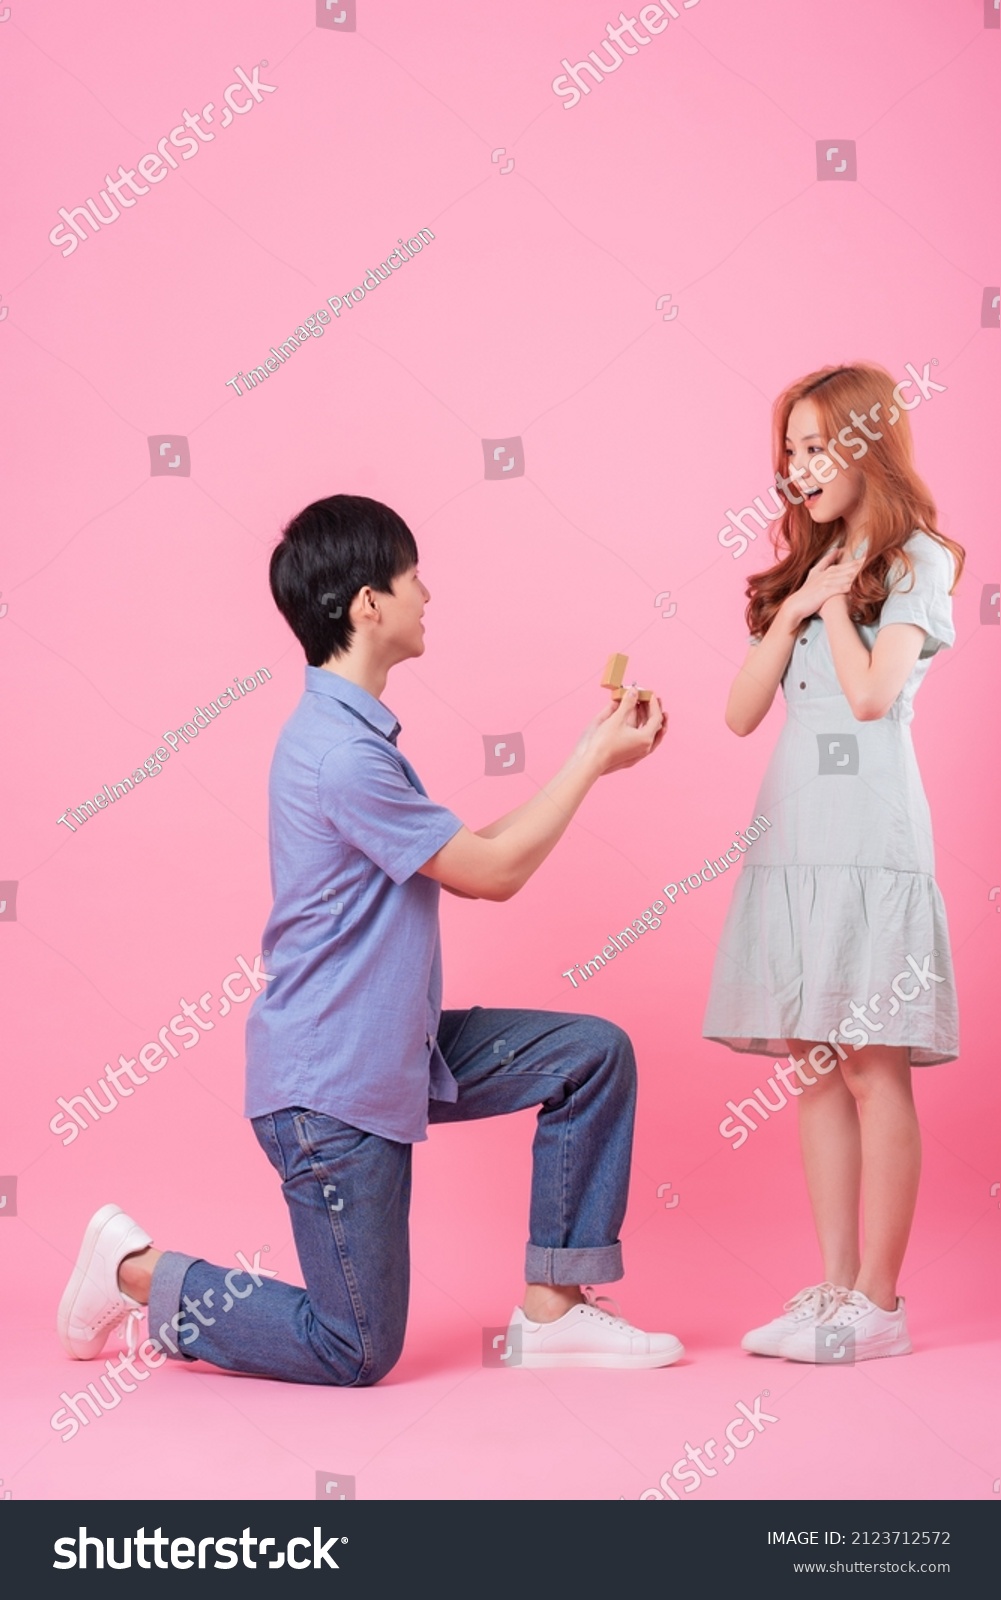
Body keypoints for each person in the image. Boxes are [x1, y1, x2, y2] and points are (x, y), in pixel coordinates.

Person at [58, 494, 684, 1384]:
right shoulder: (343, 756)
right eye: (412, 576)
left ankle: (554, 1310)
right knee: (353, 1347)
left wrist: (586, 750)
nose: (428, 593)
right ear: (368, 604)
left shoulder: (352, 740)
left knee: (588, 1056)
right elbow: (496, 876)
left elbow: (477, 850)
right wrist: (591, 764)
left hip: (398, 1050)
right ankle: (134, 1274)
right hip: (333, 1089)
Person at [703, 363, 964, 1362]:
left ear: (865, 447)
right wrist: (795, 601)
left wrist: (830, 605)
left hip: (869, 835)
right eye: (790, 449)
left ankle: (879, 1301)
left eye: (817, 446)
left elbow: (866, 699)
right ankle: (831, 1289)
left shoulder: (917, 561)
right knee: (812, 1067)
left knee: (869, 1063)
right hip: (793, 830)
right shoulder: (805, 573)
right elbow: (734, 715)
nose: (797, 466)